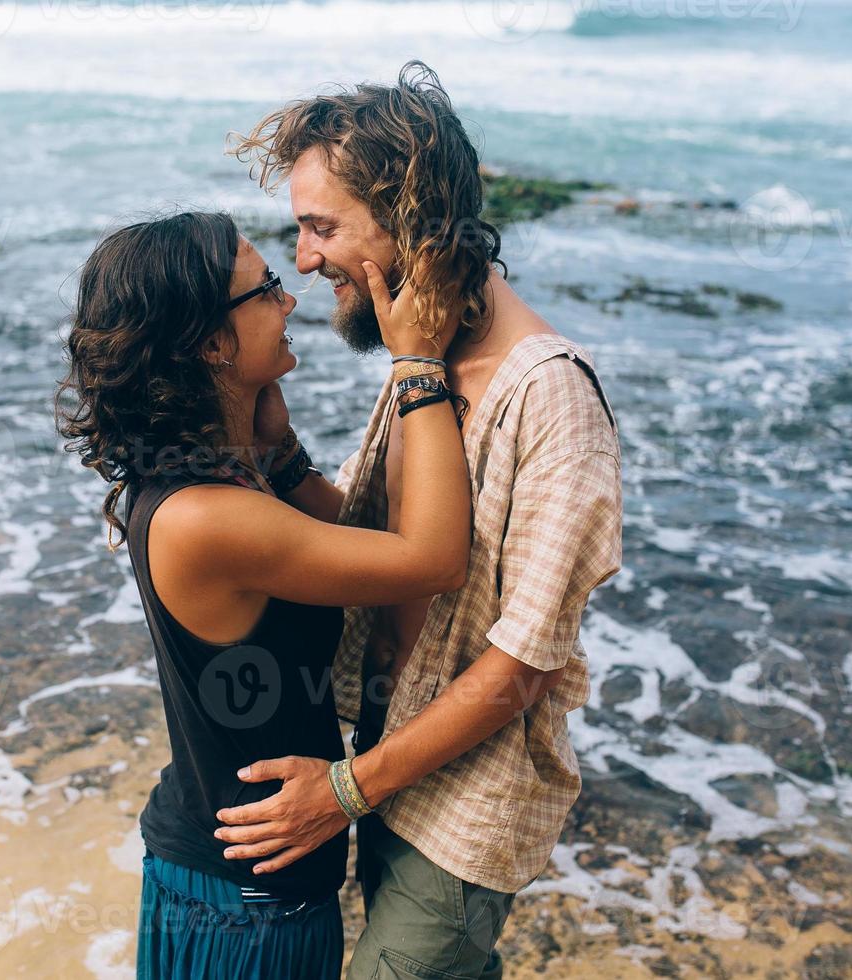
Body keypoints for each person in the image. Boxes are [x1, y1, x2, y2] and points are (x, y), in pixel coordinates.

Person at [218, 63, 625, 978]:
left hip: (461, 810)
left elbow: (522, 666)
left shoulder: (551, 397)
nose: (307, 259)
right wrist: (278, 453)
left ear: (407, 225)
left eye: (322, 228)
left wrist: (339, 794)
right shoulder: (420, 353)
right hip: (384, 760)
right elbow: (376, 546)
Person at [56, 209, 472, 979]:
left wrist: (277, 449)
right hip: (240, 901)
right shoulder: (209, 517)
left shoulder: (219, 478)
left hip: (244, 874)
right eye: (267, 288)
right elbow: (433, 560)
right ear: (212, 343)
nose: (290, 301)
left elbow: (354, 543)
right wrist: (418, 362)